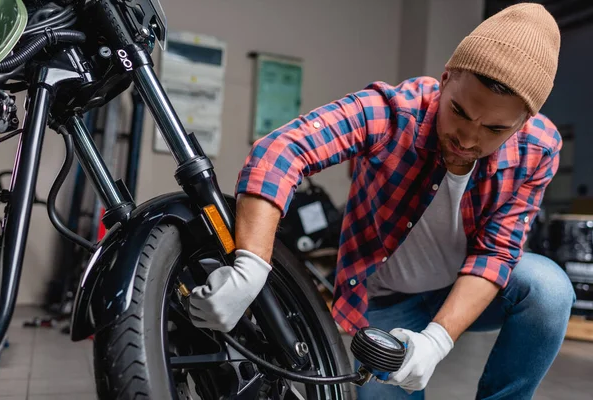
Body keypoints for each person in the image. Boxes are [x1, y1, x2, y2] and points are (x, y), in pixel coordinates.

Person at [188, 3, 576, 399]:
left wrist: (437, 341)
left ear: (523, 122)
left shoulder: (539, 148)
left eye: (495, 128)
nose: (468, 138)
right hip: (389, 299)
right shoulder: (394, 111)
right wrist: (251, 267)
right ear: (445, 80)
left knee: (548, 290)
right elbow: (281, 150)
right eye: (459, 111)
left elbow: (496, 253)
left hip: (464, 289)